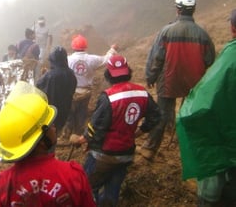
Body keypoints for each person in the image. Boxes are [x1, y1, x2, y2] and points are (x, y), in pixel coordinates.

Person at [70, 55, 161, 206]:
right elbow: (156, 116)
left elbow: (96, 128)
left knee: (87, 188)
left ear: (108, 74)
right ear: (128, 72)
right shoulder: (142, 92)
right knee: (112, 192)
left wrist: (82, 139)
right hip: (126, 153)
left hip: (103, 155)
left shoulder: (108, 97)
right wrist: (138, 132)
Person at [0, 81, 96, 207]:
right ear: (40, 141)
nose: (54, 127)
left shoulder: (2, 187)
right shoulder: (73, 176)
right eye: (49, 125)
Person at [139, 0, 216, 160]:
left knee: (162, 114)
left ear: (177, 10)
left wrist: (150, 77)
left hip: (169, 80)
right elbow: (210, 59)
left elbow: (156, 58)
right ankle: (188, 151)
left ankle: (150, 149)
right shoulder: (202, 34)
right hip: (194, 83)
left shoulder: (166, 31)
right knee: (188, 114)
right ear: (193, 10)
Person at [176, 9, 236, 207]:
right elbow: (210, 58)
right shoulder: (202, 34)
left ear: (233, 29)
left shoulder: (231, 57)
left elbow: (200, 106)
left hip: (228, 145)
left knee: (214, 177)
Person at [65, 34, 118, 136]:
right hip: (86, 92)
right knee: (82, 112)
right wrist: (112, 49)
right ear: (85, 46)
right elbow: (106, 60)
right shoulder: (92, 59)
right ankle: (79, 132)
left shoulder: (67, 60)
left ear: (73, 47)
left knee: (70, 114)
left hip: (71, 92)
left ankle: (67, 133)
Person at [36, 46, 77, 135]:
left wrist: (43, 75)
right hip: (66, 109)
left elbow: (38, 88)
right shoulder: (71, 73)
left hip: (51, 111)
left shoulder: (49, 76)